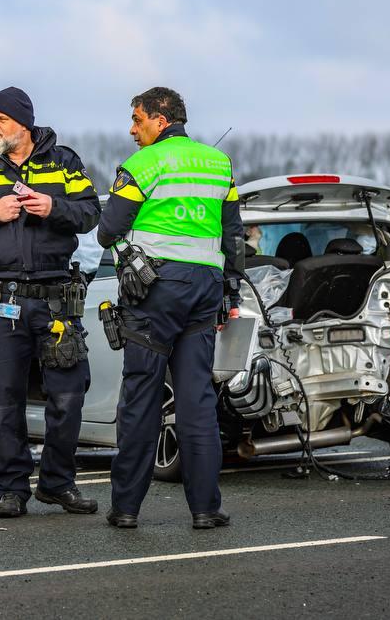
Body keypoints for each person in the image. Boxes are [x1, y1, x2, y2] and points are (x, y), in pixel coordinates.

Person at [0, 87, 102, 518]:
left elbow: (90, 213)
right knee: (5, 401)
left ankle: (58, 484)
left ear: (24, 125)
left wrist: (53, 207)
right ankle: (11, 490)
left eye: (2, 119)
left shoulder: (63, 162)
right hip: (1, 302)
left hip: (55, 302)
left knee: (68, 396)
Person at [97, 87, 245, 529]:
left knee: (141, 399)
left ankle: (126, 509)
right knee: (197, 401)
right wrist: (232, 293)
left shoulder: (143, 164)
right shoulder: (219, 164)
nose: (132, 129)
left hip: (155, 291)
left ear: (161, 121)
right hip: (205, 290)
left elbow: (107, 230)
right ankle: (206, 509)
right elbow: (233, 235)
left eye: (137, 119)